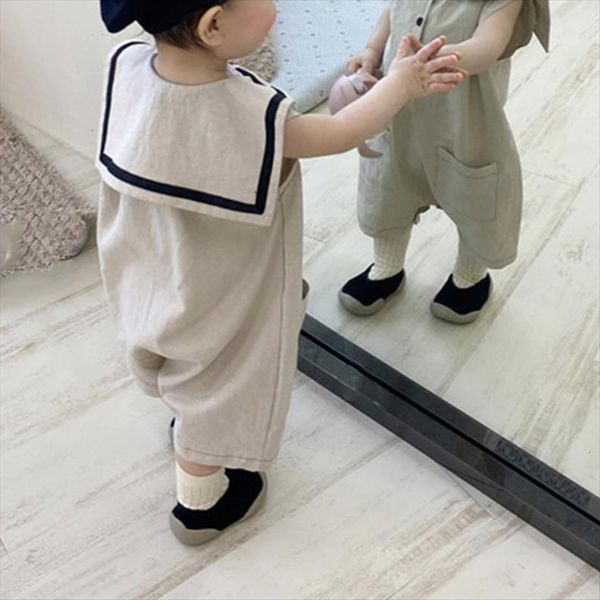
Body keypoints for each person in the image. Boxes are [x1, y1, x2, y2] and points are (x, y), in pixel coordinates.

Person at [96, 0, 464, 545]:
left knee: (186, 367)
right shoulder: (250, 114)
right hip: (219, 289)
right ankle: (200, 506)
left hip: (153, 267)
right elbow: (339, 133)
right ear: (213, 25)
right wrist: (402, 85)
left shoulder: (127, 66)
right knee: (223, 382)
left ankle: (189, 419)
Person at [339, 0, 550, 323]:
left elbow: (488, 45)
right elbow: (393, 11)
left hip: (465, 121)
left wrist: (431, 60)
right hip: (400, 113)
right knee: (388, 188)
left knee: (474, 197)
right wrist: (372, 50)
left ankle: (469, 277)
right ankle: (386, 267)